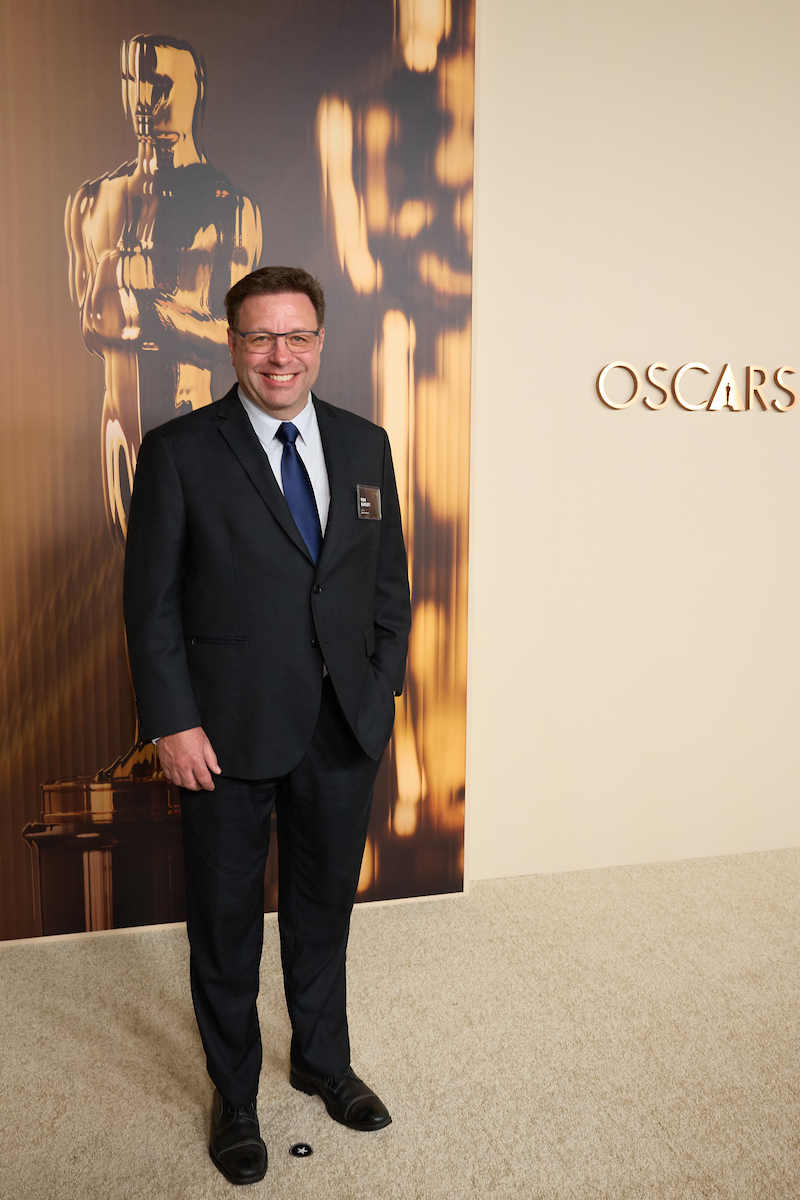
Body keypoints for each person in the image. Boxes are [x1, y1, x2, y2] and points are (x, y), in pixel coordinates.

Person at [123, 265, 411, 1186]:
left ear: (320, 341)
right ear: (232, 342)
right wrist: (172, 723)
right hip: (224, 733)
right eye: (259, 336)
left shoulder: (365, 444)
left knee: (324, 911)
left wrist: (380, 692)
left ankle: (323, 1061)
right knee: (225, 924)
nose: (279, 355)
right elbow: (151, 607)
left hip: (342, 727)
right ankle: (235, 1096)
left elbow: (388, 587)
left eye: (296, 336)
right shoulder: (178, 451)